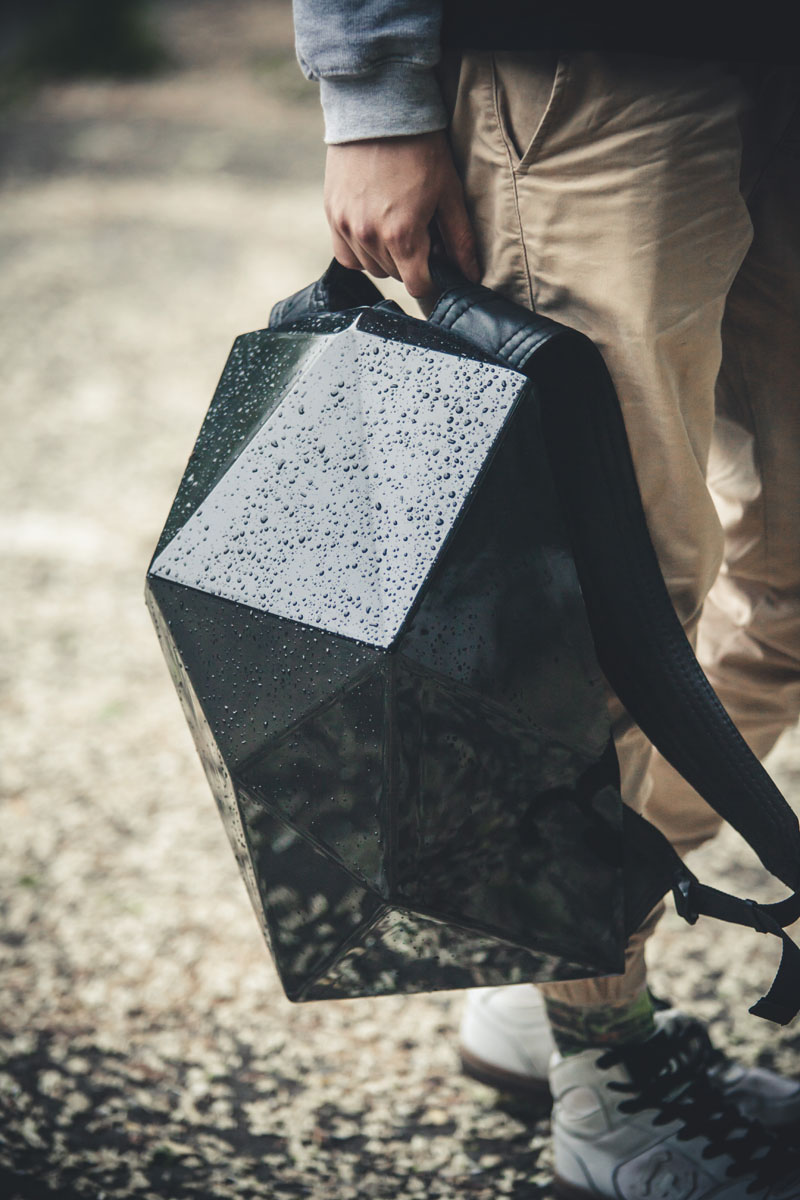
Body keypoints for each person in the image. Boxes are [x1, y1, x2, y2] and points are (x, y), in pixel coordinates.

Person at [292, 4, 800, 1195]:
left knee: (786, 583)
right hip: (583, 73)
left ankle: (558, 951)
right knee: (605, 612)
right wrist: (372, 97)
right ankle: (600, 1056)